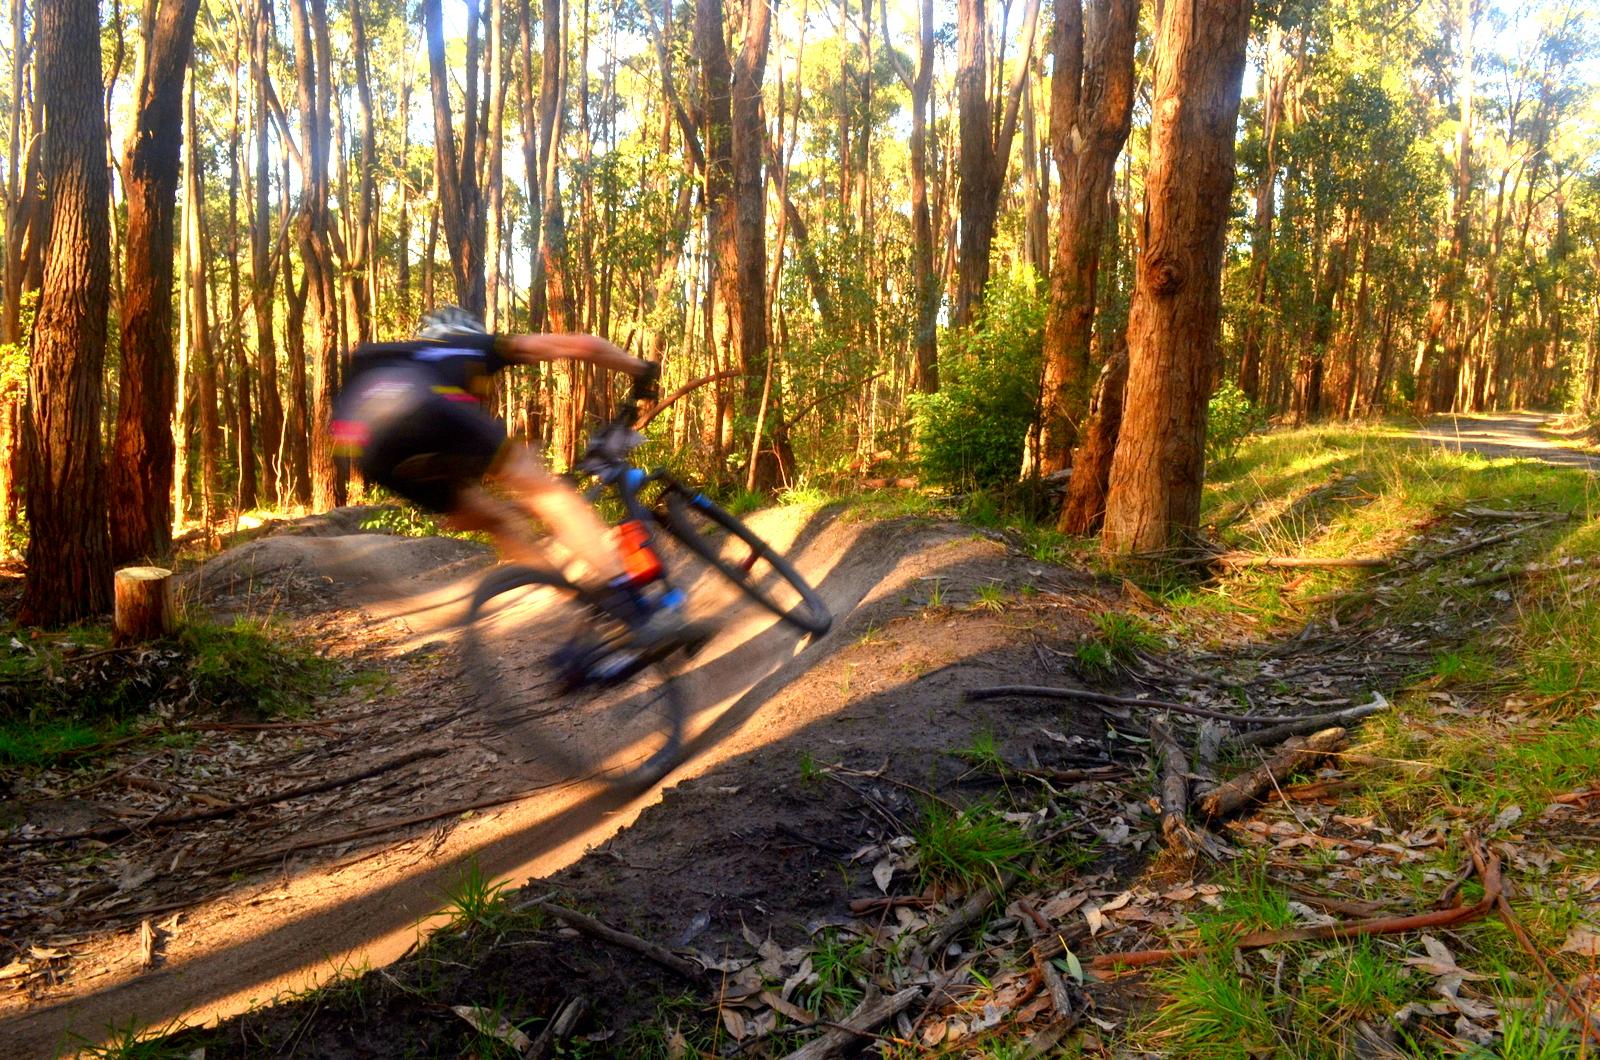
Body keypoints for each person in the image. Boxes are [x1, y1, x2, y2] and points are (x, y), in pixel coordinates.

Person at [332, 306, 712, 682]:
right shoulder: (473, 344)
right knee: (548, 493)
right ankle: (639, 612)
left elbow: (461, 515)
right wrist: (639, 369)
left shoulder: (390, 356)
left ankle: (589, 602)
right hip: (426, 405)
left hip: (371, 452)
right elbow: (579, 345)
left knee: (499, 522)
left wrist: (511, 507)